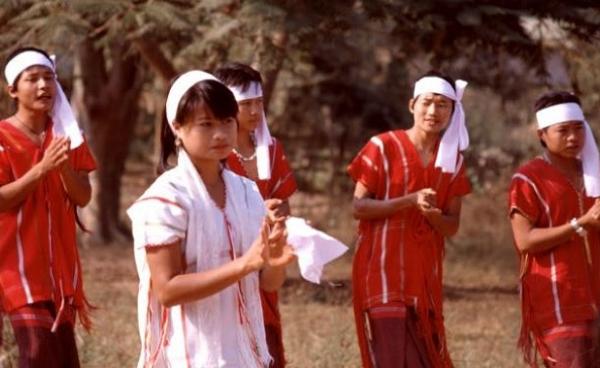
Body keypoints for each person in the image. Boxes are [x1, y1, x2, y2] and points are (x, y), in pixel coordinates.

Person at [127, 70, 295, 367]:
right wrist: (245, 264)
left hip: (242, 353)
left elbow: (266, 283)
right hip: (187, 354)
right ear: (177, 127)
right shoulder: (166, 199)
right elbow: (167, 290)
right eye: (206, 124)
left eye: (227, 121)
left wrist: (277, 260)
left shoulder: (246, 192)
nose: (220, 134)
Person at [347, 71, 471, 368]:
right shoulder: (382, 146)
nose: (433, 111)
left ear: (453, 111)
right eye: (427, 102)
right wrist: (409, 201)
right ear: (411, 104)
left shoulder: (453, 160)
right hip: (382, 269)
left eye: (443, 105)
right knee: (391, 358)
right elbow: (358, 206)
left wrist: (432, 215)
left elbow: (451, 226)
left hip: (424, 278)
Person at [0, 47, 96, 367]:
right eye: (32, 79)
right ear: (12, 89)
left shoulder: (68, 136)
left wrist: (64, 166)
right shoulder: (1, 137)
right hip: (16, 267)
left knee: (63, 360)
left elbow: (83, 197)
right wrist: (41, 170)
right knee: (37, 352)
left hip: (60, 272)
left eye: (48, 78)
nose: (43, 86)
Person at [508, 91, 600, 367]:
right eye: (563, 131)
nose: (573, 138)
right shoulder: (528, 178)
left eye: (578, 129)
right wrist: (579, 224)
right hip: (559, 298)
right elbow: (524, 240)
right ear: (542, 135)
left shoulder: (595, 174)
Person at [214, 62, 297, 367]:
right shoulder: (214, 151)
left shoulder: (271, 149)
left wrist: (278, 215)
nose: (254, 111)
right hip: (225, 257)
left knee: (265, 339)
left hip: (263, 260)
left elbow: (283, 199)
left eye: (259, 103)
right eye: (245, 104)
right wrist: (252, 210)